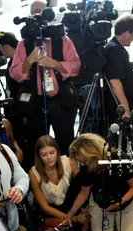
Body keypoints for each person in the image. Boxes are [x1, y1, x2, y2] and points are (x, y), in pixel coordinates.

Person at [9, 12, 81, 171]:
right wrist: (30, 60)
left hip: (60, 101)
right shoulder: (24, 44)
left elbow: (75, 66)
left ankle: (68, 177)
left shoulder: (62, 40)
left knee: (66, 142)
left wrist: (53, 63)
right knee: (37, 144)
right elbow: (15, 73)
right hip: (35, 103)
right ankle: (40, 181)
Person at [62, 134, 133, 231]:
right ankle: (113, 227)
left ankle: (119, 226)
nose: (82, 165)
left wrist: (118, 204)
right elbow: (84, 193)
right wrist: (70, 214)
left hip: (125, 203)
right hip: (101, 206)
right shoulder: (86, 167)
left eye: (83, 161)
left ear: (92, 155)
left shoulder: (120, 158)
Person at [29, 135, 88, 228]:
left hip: (72, 206)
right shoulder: (33, 174)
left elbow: (84, 186)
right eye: (44, 155)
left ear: (57, 151)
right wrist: (72, 218)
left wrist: (81, 210)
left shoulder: (69, 162)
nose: (49, 157)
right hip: (51, 213)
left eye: (52, 153)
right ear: (39, 156)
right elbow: (45, 207)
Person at [104, 14, 133, 123]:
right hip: (119, 109)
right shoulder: (115, 50)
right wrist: (126, 109)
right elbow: (115, 81)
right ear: (126, 33)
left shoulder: (115, 48)